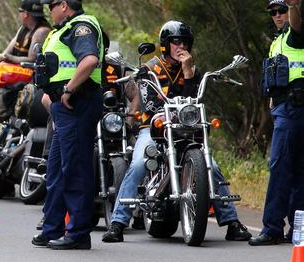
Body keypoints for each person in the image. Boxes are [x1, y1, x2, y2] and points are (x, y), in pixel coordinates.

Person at [102, 20, 252, 243]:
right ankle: (117, 224)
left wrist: (189, 73)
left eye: (185, 42)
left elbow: (193, 100)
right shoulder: (149, 69)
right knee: (137, 164)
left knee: (213, 166)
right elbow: (150, 105)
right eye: (175, 42)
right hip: (153, 129)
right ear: (164, 45)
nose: (181, 46)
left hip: (185, 130)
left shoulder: (192, 69)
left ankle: (232, 222)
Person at [31, 0, 104, 250]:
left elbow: (89, 61)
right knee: (56, 171)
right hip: (65, 107)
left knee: (75, 169)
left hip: (78, 102)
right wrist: (52, 93)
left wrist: (68, 89)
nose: (49, 11)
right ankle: (52, 229)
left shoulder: (80, 26)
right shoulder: (61, 30)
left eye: (52, 6)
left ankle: (78, 234)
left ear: (64, 5)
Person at [250, 0, 304, 246]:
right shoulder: (276, 42)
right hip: (284, 108)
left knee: (280, 167)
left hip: (294, 110)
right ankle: (297, 230)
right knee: (296, 171)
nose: (278, 15)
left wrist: (293, 6)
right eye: (274, 12)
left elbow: (297, 24)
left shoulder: (294, 36)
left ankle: (271, 229)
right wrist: (272, 103)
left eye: (281, 10)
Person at [0, 0, 51, 70]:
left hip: (31, 77)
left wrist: (5, 57)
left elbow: (32, 60)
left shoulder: (42, 31)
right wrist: (1, 57)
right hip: (17, 72)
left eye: (20, 11)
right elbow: (7, 52)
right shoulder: (23, 28)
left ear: (25, 14)